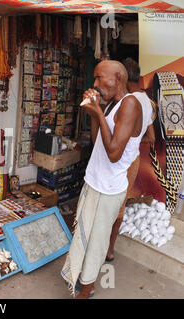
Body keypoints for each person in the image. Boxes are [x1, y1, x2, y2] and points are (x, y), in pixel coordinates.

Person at [61, 60, 148, 299]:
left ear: (118, 78)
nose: (96, 83)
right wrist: (95, 112)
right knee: (83, 236)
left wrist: (98, 111)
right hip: (95, 181)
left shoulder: (130, 104)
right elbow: (99, 141)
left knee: (96, 244)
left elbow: (113, 153)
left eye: (100, 78)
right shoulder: (113, 104)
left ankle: (85, 293)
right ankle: (83, 281)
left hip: (109, 189)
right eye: (95, 78)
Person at [106, 58, 156, 262]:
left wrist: (126, 142)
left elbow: (114, 139)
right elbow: (151, 138)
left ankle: (102, 247)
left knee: (109, 204)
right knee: (120, 203)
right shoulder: (147, 101)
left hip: (119, 160)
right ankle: (110, 249)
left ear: (122, 78)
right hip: (132, 160)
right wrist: (134, 142)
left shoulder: (127, 102)